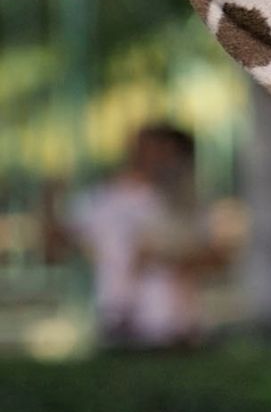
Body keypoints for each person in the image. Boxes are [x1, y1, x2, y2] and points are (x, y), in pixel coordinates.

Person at [65, 124, 217, 347]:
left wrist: (166, 254)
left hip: (176, 324)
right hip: (121, 318)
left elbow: (214, 255)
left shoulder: (186, 202)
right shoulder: (101, 199)